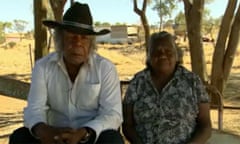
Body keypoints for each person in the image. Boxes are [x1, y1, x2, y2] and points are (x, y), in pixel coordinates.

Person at [9, 2, 123, 144]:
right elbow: (34, 109)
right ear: (60, 39)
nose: (77, 43)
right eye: (71, 36)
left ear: (91, 44)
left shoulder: (105, 68)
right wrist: (45, 131)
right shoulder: (43, 67)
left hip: (88, 137)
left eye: (84, 38)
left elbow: (113, 114)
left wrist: (84, 132)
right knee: (19, 137)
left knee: (112, 139)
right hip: (53, 136)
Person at [122, 31, 212, 144]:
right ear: (149, 56)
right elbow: (127, 125)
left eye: (168, 51)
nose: (163, 55)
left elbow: (205, 127)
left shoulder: (192, 81)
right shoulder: (137, 82)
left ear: (177, 54)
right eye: (157, 51)